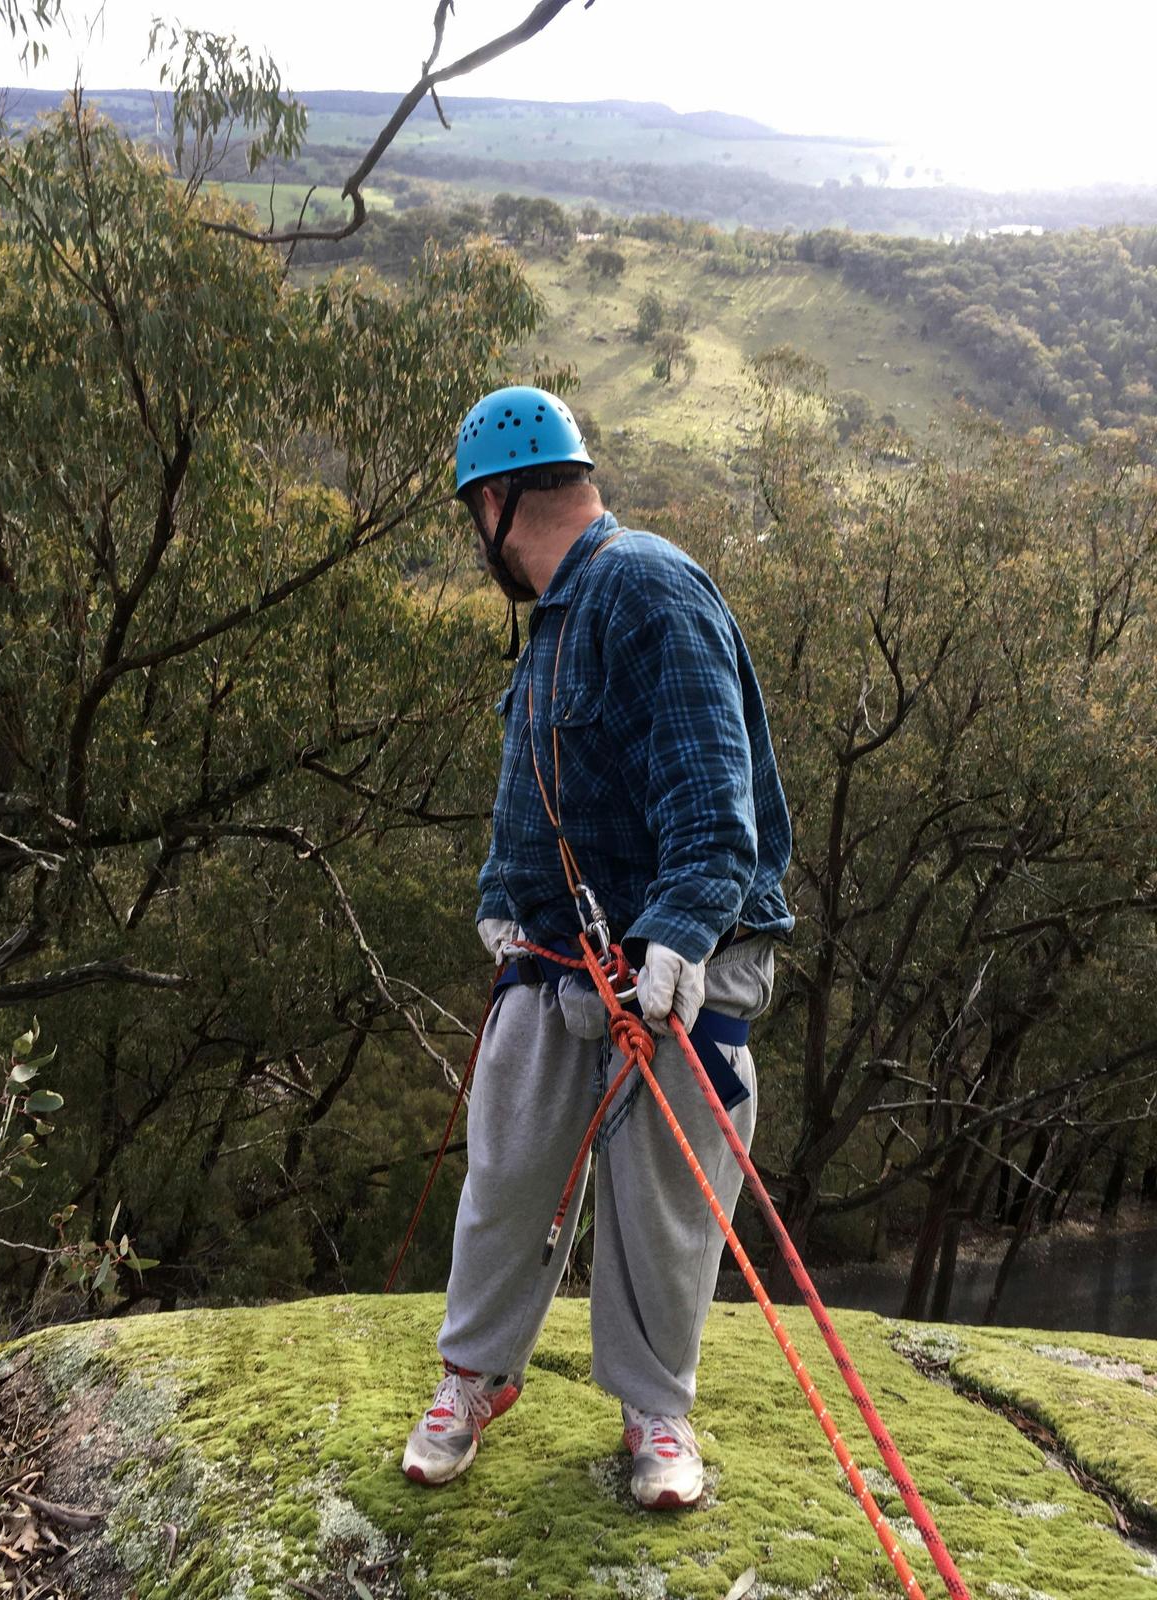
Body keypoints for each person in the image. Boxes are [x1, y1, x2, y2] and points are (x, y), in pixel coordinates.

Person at [401, 386, 793, 1509]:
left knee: (664, 1188)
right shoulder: (558, 623)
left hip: (682, 952)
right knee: (510, 1157)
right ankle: (474, 1376)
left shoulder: (645, 587)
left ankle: (655, 1411)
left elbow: (717, 801)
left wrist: (678, 933)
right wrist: (496, 893)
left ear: (494, 502)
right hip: (563, 953)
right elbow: (532, 792)